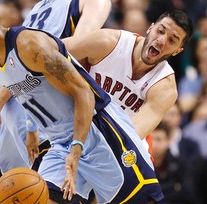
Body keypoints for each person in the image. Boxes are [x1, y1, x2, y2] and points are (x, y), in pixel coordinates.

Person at [0, 0, 169, 204]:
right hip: (60, 141)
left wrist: (76, 149)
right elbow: (27, 90)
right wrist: (31, 129)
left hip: (96, 132)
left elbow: (84, 92)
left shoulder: (31, 45)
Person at [65, 10, 193, 150]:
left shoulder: (165, 88)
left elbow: (129, 138)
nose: (161, 41)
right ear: (150, 28)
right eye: (160, 31)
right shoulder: (109, 42)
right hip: (75, 119)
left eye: (172, 40)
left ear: (177, 51)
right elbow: (50, 51)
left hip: (117, 142)